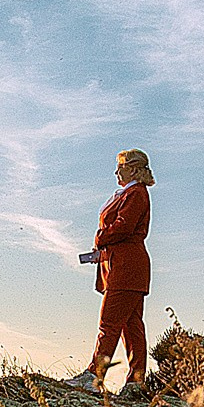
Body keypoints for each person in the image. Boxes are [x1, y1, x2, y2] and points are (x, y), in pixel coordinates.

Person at [68, 149, 153, 394]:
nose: (117, 171)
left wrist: (100, 237)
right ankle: (136, 382)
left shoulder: (136, 193)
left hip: (126, 268)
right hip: (127, 267)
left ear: (134, 169)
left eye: (121, 166)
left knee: (110, 323)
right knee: (131, 326)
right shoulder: (131, 193)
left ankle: (95, 377)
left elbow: (123, 227)